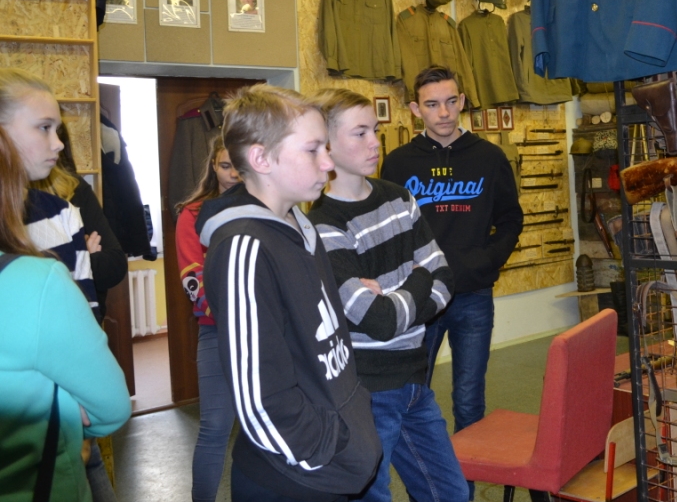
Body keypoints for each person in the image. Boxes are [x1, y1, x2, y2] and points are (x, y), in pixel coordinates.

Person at [196, 84, 381, 502]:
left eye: (326, 148)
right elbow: (259, 398)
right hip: (294, 480)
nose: (328, 163)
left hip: (332, 471)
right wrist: (326, 451)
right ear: (261, 159)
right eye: (313, 150)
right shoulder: (244, 247)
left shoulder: (301, 224)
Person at [309, 89, 467, 502]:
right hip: (368, 392)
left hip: (416, 381)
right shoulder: (323, 226)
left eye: (375, 131)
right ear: (327, 145)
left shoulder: (399, 198)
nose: (375, 143)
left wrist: (401, 297)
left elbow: (445, 280)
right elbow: (378, 321)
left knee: (451, 493)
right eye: (359, 133)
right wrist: (418, 279)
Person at [380, 65, 523, 495]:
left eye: (450, 101)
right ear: (414, 109)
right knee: (411, 398)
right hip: (419, 301)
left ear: (461, 101)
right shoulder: (399, 163)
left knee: (469, 401)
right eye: (431, 104)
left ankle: (465, 491)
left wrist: (486, 262)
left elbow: (511, 219)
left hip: (472, 297)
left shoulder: (489, 157)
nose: (443, 112)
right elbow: (389, 228)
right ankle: (425, 489)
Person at [0, 122, 131, 502]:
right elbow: (111, 407)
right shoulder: (37, 279)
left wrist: (83, 260)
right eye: (42, 128)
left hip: (78, 366)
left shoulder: (71, 197)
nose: (56, 143)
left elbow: (113, 264)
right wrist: (75, 256)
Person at [0, 68, 98, 318]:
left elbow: (86, 314)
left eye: (57, 130)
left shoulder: (63, 214)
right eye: (44, 127)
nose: (59, 144)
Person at [176, 138, 241, 502]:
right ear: (213, 167)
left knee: (264, 429)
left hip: (266, 335)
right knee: (215, 428)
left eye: (238, 166)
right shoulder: (192, 214)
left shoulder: (268, 208)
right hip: (217, 332)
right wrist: (237, 312)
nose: (233, 175)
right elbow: (193, 279)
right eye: (225, 166)